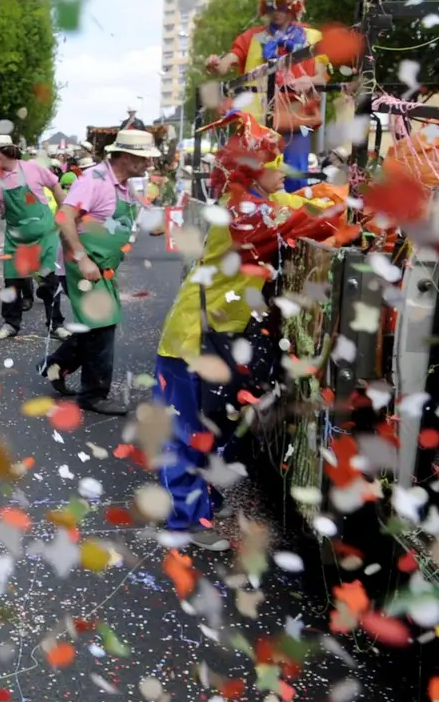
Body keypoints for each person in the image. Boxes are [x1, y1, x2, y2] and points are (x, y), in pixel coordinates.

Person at [153, 112, 359, 550]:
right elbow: (296, 225)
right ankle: (183, 522)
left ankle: (199, 501)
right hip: (192, 339)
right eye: (274, 163)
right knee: (187, 433)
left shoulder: (253, 202)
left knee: (210, 426)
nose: (282, 171)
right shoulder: (242, 210)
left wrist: (343, 201)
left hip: (215, 335)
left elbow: (302, 208)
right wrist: (356, 212)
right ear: (253, 170)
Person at [39, 128, 159, 415]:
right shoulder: (93, 180)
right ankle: (93, 395)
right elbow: (65, 217)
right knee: (103, 326)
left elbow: (130, 220)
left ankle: (56, 365)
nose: (149, 164)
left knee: (97, 327)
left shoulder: (124, 186)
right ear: (127, 157)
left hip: (102, 267)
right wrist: (83, 259)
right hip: (82, 265)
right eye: (145, 159)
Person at [205, 0, 329, 192]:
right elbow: (228, 63)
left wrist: (309, 80)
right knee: (254, 178)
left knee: (294, 177)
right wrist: (217, 65)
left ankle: (290, 222)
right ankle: (257, 221)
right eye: (271, 6)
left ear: (294, 6)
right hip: (257, 124)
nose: (276, 12)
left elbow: (323, 75)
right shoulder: (251, 38)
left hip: (296, 120)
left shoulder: (313, 37)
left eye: (282, 5)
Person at [0, 136, 66, 341]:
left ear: (8, 151)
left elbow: (55, 186)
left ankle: (56, 324)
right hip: (16, 238)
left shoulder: (32, 168)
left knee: (49, 281)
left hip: (45, 235)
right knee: (12, 282)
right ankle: (10, 324)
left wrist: (63, 215)